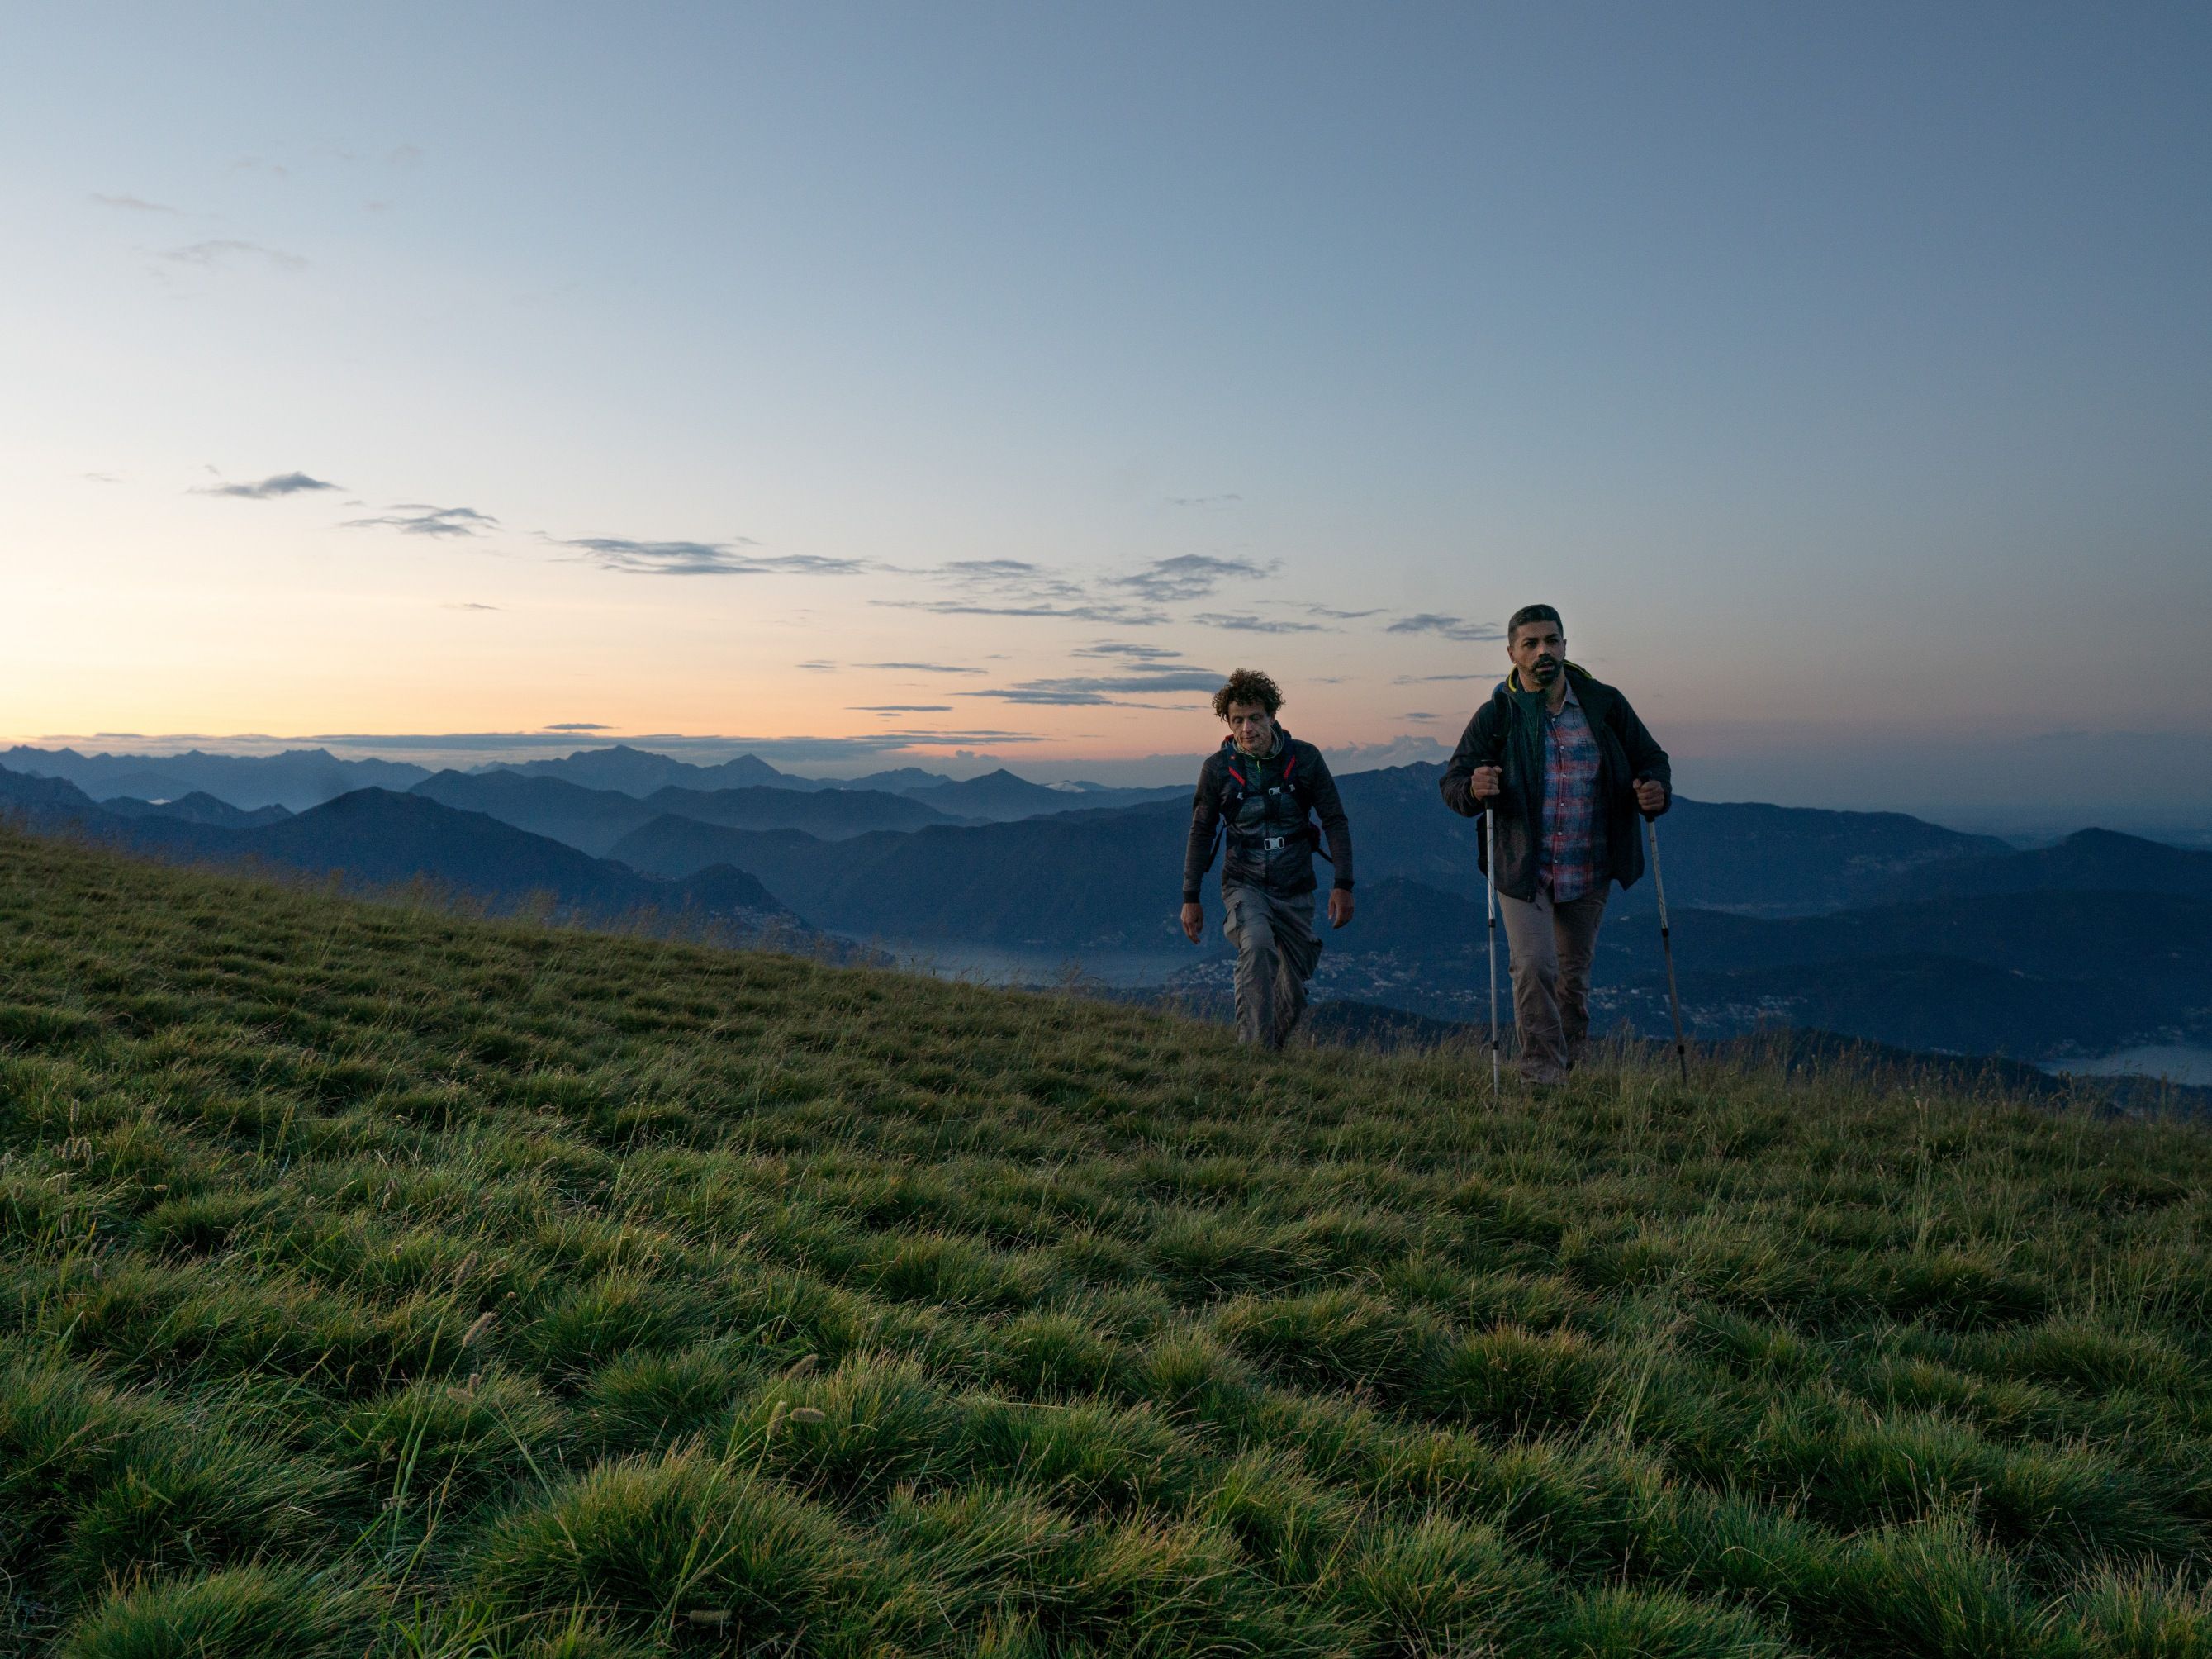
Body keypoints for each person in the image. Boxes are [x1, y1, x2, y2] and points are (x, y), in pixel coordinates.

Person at [1440, 605, 1671, 1084]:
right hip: (1523, 867)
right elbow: (1454, 783)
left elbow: (1651, 758)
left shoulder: (1604, 705)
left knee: (1572, 980)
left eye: (1552, 640)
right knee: (1532, 967)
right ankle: (1541, 1077)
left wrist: (1654, 789)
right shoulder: (1498, 715)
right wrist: (1472, 788)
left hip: (1589, 864)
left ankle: (1572, 1064)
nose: (1543, 651)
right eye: (1531, 643)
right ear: (1512, 653)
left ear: (1565, 646)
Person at [1181, 669, 1355, 1048]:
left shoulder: (1305, 760)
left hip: (1295, 885)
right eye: (1237, 720)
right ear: (1228, 723)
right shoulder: (1216, 770)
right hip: (1244, 882)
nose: (1247, 729)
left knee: (1293, 989)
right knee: (1257, 945)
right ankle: (1253, 1055)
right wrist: (1190, 896)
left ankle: (1269, 1054)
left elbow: (1334, 820)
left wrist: (1343, 884)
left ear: (1273, 716)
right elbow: (1201, 831)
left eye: (1255, 718)